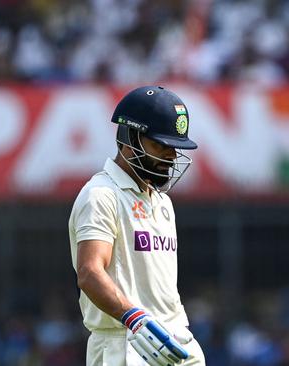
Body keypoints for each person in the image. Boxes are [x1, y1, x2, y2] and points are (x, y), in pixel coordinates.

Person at [68, 86, 205, 365]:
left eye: (174, 147)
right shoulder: (102, 195)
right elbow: (89, 271)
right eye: (160, 145)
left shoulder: (163, 202)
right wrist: (136, 319)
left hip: (175, 339)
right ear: (130, 138)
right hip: (124, 342)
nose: (170, 156)